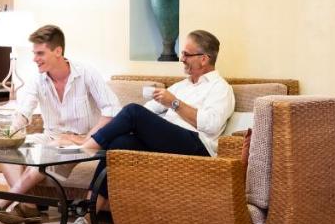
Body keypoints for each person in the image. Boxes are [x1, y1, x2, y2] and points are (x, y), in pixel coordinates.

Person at [0, 24, 121, 224]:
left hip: (84, 141)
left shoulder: (86, 73)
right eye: (34, 53)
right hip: (51, 136)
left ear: (58, 51)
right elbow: (24, 112)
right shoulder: (37, 79)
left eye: (40, 53)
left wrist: (86, 139)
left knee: (48, 153)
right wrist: (8, 133)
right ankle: (28, 206)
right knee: (8, 150)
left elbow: (112, 111)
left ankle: (2, 203)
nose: (35, 59)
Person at [75, 30, 235, 187]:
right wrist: (139, 126)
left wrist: (175, 103)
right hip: (170, 142)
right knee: (120, 143)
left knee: (133, 111)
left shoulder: (220, 88)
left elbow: (211, 125)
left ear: (204, 59)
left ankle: (84, 150)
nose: (182, 59)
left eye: (186, 54)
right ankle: (92, 202)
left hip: (198, 147)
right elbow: (148, 110)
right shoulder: (181, 86)